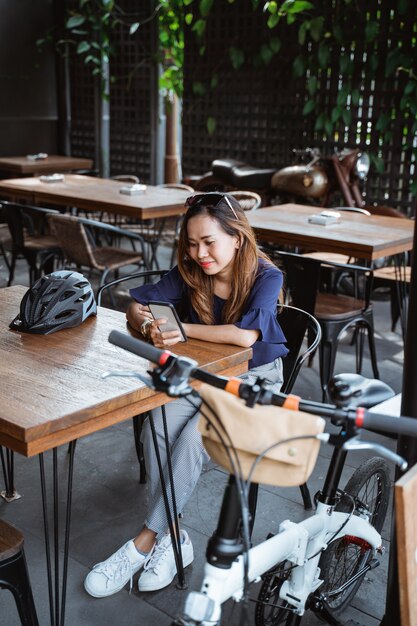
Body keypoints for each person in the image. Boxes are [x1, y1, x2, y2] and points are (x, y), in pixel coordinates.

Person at [84, 192, 288, 598]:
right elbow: (135, 302)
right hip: (200, 375)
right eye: (192, 243)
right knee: (157, 425)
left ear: (237, 238)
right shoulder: (192, 269)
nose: (199, 253)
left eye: (209, 242)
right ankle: (176, 539)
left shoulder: (267, 276)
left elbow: (244, 336)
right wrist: (148, 325)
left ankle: (143, 541)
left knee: (194, 437)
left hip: (252, 382)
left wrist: (181, 329)